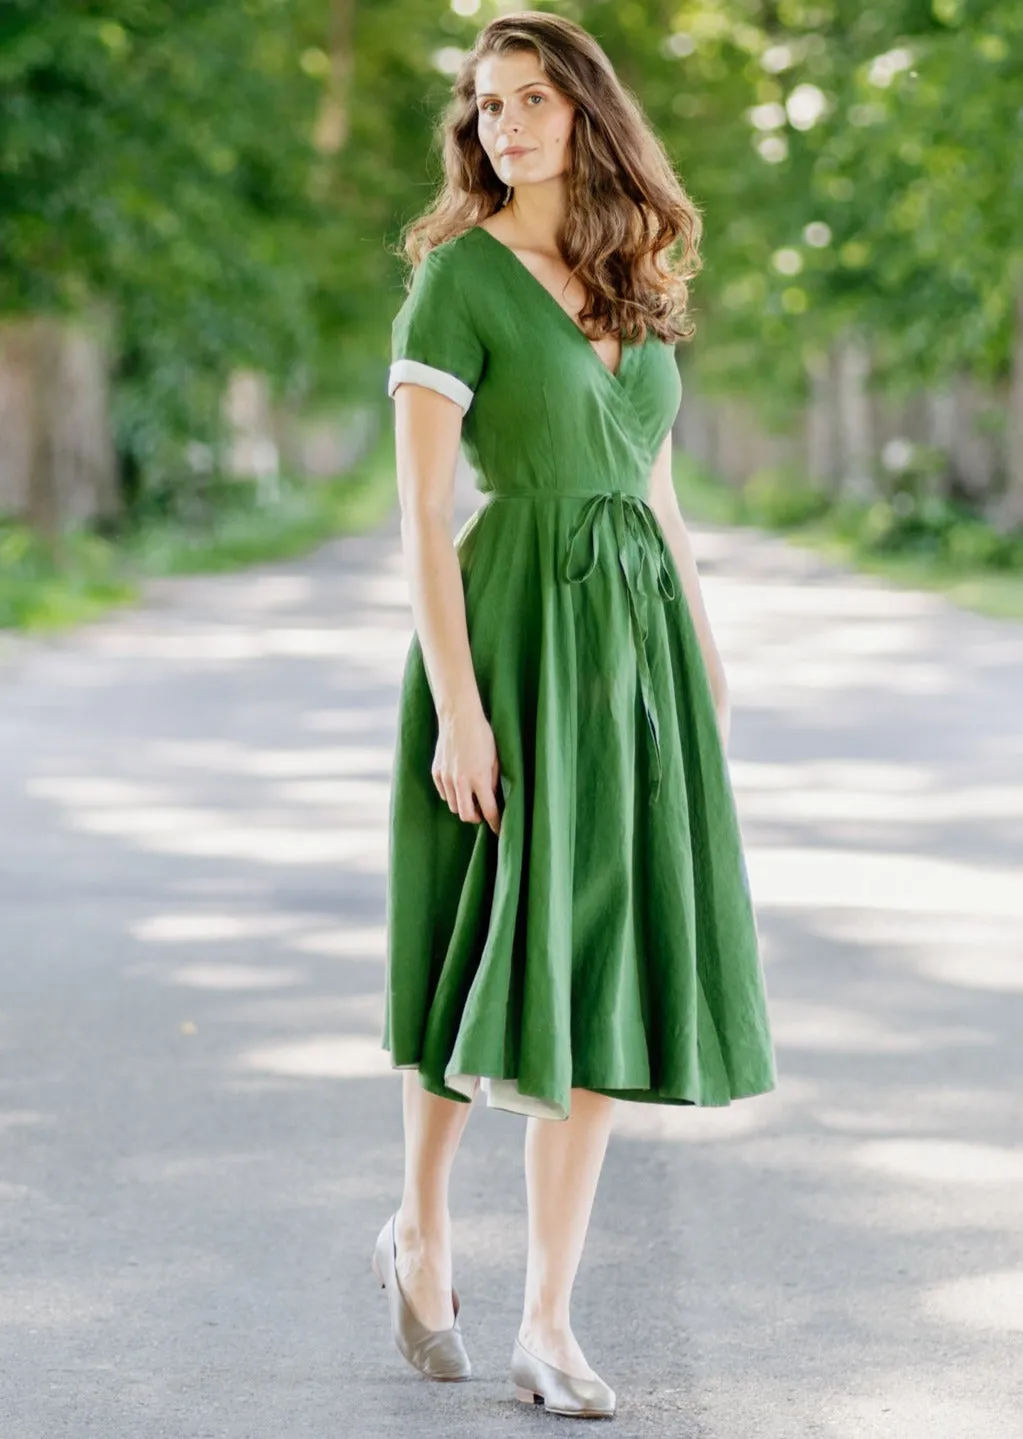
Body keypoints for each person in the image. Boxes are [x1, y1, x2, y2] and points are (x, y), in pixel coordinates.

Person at [373, 10, 777, 1421]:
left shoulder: (637, 273)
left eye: (533, 98)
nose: (507, 124)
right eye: (487, 106)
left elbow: (652, 484)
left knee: (595, 947)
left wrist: (702, 649)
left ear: (584, 110)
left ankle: (548, 1315)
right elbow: (423, 512)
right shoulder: (455, 282)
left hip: (634, 652)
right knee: (483, 939)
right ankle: (420, 1222)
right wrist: (458, 714)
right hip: (511, 635)